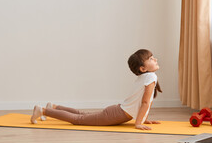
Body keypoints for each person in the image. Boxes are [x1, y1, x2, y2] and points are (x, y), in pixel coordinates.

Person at [30, 49, 162, 130]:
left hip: (117, 111)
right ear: (142, 68)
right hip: (117, 114)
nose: (155, 59)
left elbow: (141, 103)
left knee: (82, 114)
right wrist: (138, 123)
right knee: (78, 119)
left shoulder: (145, 77)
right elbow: (145, 103)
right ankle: (43, 110)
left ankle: (54, 106)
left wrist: (143, 119)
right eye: (150, 58)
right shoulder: (151, 77)